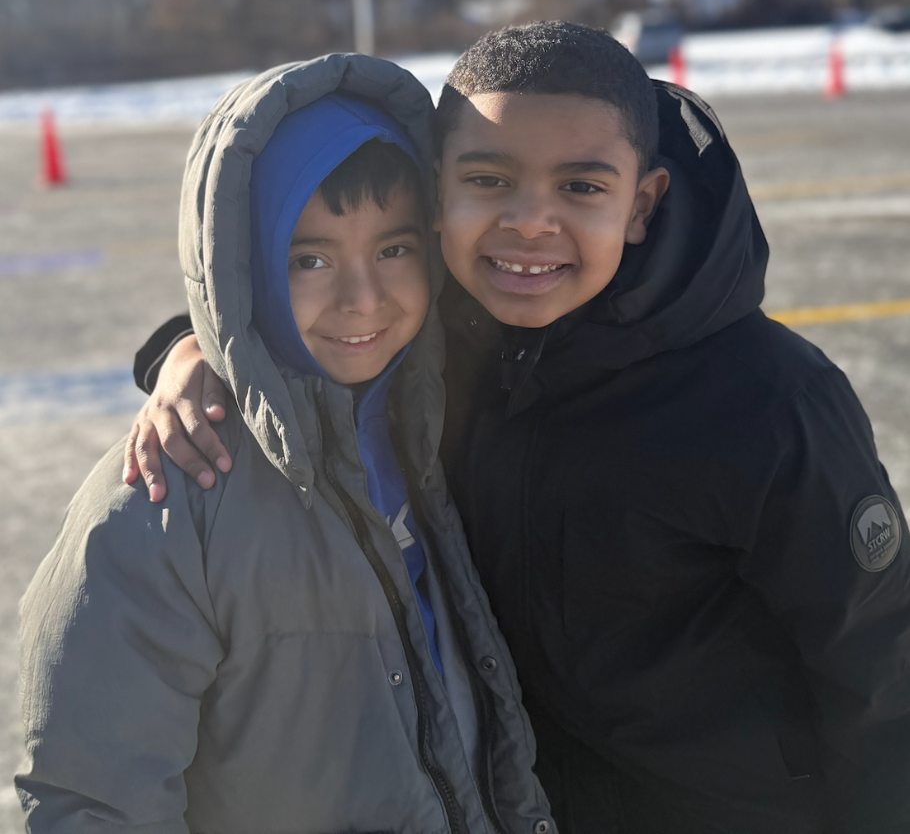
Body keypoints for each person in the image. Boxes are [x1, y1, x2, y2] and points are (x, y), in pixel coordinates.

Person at [124, 22, 910, 834]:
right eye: (490, 179)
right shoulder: (429, 337)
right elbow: (293, 310)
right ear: (437, 191)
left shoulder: (771, 400)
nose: (530, 223)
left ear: (643, 204)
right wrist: (185, 350)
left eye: (582, 188)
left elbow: (881, 667)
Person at [17, 55, 555, 834]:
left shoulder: (439, 429)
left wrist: (185, 346)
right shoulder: (168, 495)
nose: (361, 298)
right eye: (308, 259)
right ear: (249, 268)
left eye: (394, 249)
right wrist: (196, 345)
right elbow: (91, 801)